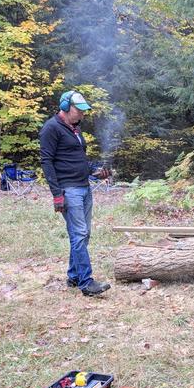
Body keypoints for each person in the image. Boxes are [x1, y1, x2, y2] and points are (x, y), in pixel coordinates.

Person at [39, 90, 112, 296]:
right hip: (68, 189)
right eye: (78, 110)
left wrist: (96, 172)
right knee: (79, 234)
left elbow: (77, 160)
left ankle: (73, 275)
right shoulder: (51, 128)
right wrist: (57, 194)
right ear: (65, 107)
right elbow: (47, 162)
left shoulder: (75, 130)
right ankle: (86, 283)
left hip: (84, 187)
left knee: (83, 234)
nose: (82, 114)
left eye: (83, 111)